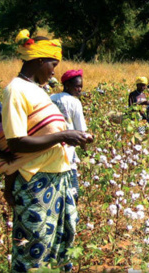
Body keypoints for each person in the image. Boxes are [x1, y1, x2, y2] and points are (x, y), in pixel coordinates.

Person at [2, 29, 93, 272]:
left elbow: (44, 133)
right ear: (39, 60)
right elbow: (16, 141)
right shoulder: (16, 90)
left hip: (60, 175)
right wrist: (64, 135)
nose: (54, 71)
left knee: (61, 243)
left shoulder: (39, 90)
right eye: (53, 64)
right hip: (36, 181)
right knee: (34, 247)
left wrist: (72, 137)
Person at [51, 69, 88, 200]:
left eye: (80, 87)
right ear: (67, 85)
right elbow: (81, 131)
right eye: (77, 86)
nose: (79, 90)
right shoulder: (75, 102)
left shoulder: (50, 99)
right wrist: (86, 150)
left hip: (49, 149)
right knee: (73, 193)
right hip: (68, 151)